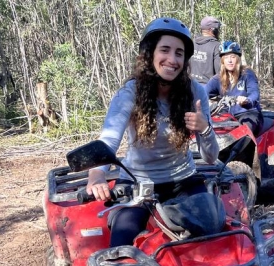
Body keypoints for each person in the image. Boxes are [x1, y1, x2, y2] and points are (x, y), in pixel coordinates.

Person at [85, 17, 219, 247]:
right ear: (149, 54)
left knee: (215, 235)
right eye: (164, 50)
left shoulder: (195, 92)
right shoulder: (130, 93)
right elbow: (109, 138)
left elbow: (211, 157)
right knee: (121, 242)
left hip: (183, 180)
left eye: (179, 53)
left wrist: (204, 128)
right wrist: (96, 174)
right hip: (138, 184)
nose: (172, 59)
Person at [204, 41, 263, 135]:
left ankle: (239, 150)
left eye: (232, 57)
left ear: (238, 59)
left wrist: (247, 100)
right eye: (226, 57)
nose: (229, 60)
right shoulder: (218, 78)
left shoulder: (247, 74)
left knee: (244, 132)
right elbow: (203, 92)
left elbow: (254, 93)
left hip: (248, 113)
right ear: (222, 60)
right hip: (227, 115)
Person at [190, 16, 222, 84]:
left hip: (189, 86)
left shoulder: (191, 43)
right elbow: (219, 72)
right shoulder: (216, 46)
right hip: (207, 89)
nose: (219, 31)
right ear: (212, 30)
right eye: (218, 29)